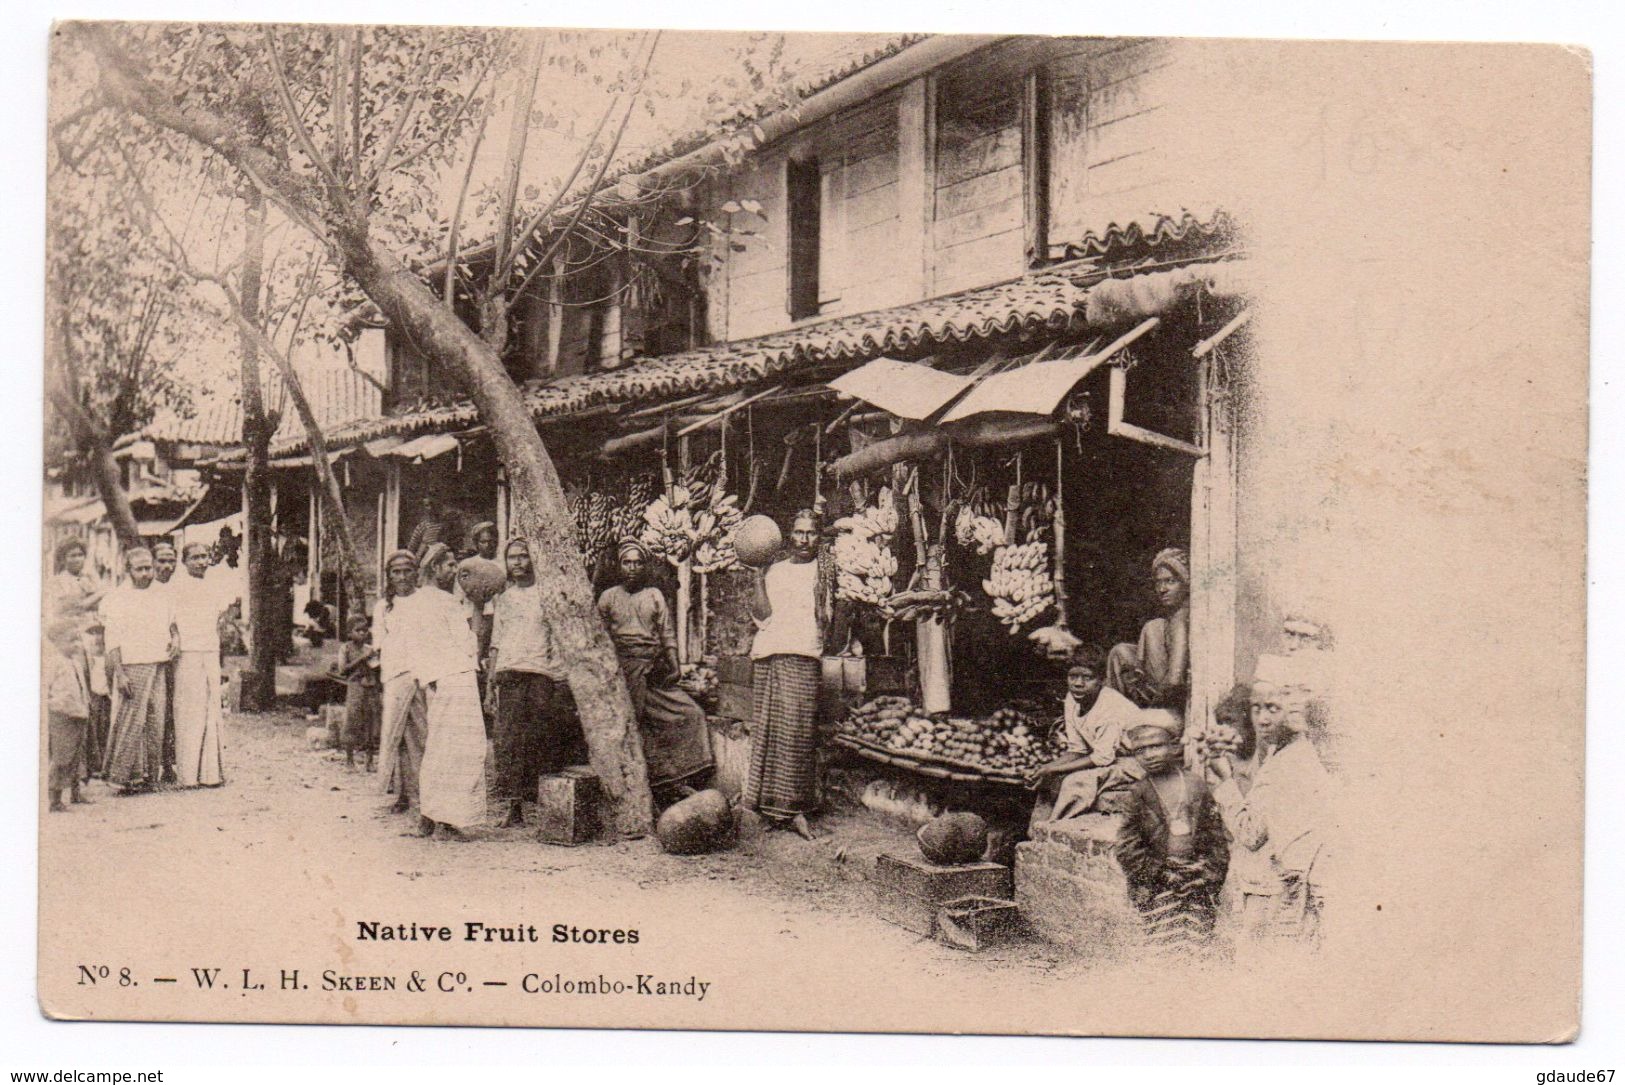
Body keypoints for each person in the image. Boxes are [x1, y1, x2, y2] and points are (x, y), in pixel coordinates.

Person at [1209, 655, 1333, 945]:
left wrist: (1223, 783)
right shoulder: (1284, 755)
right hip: (1274, 886)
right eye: (1257, 709)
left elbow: (1251, 834)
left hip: (1274, 893)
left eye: (1273, 709)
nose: (1263, 720)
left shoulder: (1289, 764)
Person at [597, 539, 713, 808]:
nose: (632, 568)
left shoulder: (654, 595)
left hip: (653, 669)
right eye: (627, 562)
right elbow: (600, 640)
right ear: (619, 565)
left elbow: (666, 633)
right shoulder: (609, 597)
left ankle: (678, 777)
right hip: (622, 672)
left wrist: (673, 664)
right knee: (633, 723)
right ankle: (645, 786)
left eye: (638, 562)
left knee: (690, 713)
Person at [742, 510, 826, 841]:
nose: (804, 539)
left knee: (797, 734)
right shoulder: (775, 571)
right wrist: (758, 577)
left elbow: (830, 615)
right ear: (788, 536)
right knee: (768, 731)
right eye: (798, 531)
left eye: (811, 532)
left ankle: (794, 811)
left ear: (820, 537)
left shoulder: (826, 571)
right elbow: (763, 617)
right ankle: (764, 808)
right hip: (769, 654)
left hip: (804, 654)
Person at [488, 538, 582, 827]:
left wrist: (557, 677)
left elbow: (557, 638)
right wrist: (491, 680)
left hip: (541, 675)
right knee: (511, 741)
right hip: (510, 673)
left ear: (533, 559)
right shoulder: (503, 599)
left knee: (541, 739)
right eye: (512, 557)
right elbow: (496, 642)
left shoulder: (547, 594)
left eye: (523, 556)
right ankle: (514, 808)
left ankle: (545, 808)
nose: (517, 562)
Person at [1115, 718, 1229, 951]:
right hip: (1158, 883)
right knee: (1164, 945)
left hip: (1197, 879)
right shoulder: (1138, 793)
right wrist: (1160, 874)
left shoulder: (1195, 784)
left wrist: (1206, 874)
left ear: (1175, 746)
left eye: (1156, 746)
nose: (1149, 755)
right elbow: (1127, 846)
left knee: (1198, 944)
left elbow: (1215, 836)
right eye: (1140, 750)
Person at [412, 542, 488, 841]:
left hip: (438, 679)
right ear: (435, 568)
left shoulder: (419, 601)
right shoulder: (445, 602)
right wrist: (479, 607)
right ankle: (446, 820)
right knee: (461, 748)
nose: (455, 570)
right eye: (450, 565)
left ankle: (429, 817)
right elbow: (468, 643)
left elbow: (418, 647)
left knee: (438, 747)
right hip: (455, 677)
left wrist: (428, 677)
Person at [1025, 655, 1147, 826]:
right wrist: (1048, 768)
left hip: (1136, 761)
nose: (1078, 683)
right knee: (1048, 779)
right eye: (1073, 676)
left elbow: (1102, 758)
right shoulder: (1073, 697)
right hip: (1110, 757)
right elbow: (1078, 749)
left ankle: (1052, 829)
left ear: (1102, 681)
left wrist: (1055, 770)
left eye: (1087, 678)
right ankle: (1034, 833)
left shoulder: (1110, 706)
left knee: (1075, 781)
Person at [99, 547, 178, 794]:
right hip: (132, 665)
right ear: (128, 570)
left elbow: (172, 623)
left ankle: (150, 776)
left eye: (149, 568)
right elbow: (112, 640)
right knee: (132, 721)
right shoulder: (116, 598)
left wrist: (176, 638)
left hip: (159, 663)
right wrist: (119, 673)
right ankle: (123, 776)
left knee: (156, 720)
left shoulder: (162, 593)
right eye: (140, 569)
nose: (146, 573)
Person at [168, 543, 229, 787]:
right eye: (195, 558)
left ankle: (211, 773)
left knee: (212, 707)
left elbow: (220, 617)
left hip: (210, 650)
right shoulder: (176, 587)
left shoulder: (214, 585)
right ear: (184, 562)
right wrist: (176, 638)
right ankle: (188, 774)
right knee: (189, 709)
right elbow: (170, 620)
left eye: (204, 557)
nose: (201, 562)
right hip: (187, 653)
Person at [375, 550, 429, 816]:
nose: (402, 576)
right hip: (394, 676)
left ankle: (423, 795)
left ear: (416, 573)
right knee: (395, 737)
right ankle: (401, 794)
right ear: (389, 575)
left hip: (421, 675)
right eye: (396, 571)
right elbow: (380, 644)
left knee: (420, 736)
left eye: (407, 570)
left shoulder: (424, 602)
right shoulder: (383, 606)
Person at [1106, 547, 1191, 713]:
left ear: (1185, 583)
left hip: (1168, 703)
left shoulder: (1178, 619)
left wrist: (1153, 707)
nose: (1162, 589)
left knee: (1153, 627)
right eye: (1159, 582)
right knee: (1120, 652)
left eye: (1171, 581)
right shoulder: (1173, 617)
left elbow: (1174, 679)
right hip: (1160, 692)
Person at [45, 617, 92, 811]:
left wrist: (86, 706)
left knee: (77, 756)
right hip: (63, 714)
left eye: (77, 640)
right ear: (57, 641)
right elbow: (46, 689)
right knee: (62, 756)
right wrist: (56, 704)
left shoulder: (76, 663)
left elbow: (82, 688)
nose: (76, 644)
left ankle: (76, 792)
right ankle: (55, 798)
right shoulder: (54, 663)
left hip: (79, 714)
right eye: (70, 640)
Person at [332, 614, 382, 772]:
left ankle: (369, 761)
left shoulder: (370, 648)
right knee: (352, 722)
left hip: (371, 687)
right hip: (355, 687)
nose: (362, 633)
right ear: (349, 633)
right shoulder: (345, 648)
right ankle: (349, 761)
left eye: (365, 630)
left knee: (371, 723)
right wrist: (361, 658)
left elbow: (378, 668)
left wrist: (376, 662)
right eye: (358, 630)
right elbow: (342, 670)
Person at [45, 537, 105, 629]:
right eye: (73, 556)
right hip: (68, 629)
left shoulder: (89, 578)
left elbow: (102, 605)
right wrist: (99, 594)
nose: (77, 559)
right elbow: (72, 608)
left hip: (91, 627)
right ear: (63, 559)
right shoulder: (58, 581)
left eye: (80, 555)